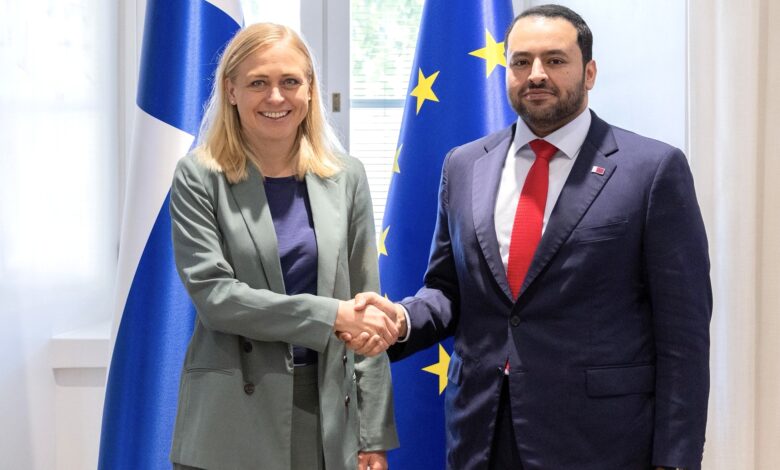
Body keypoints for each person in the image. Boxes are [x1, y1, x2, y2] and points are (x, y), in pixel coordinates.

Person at [349, 4, 711, 470]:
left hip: (601, 442)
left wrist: (675, 460)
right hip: (482, 433)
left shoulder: (651, 170)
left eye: (555, 60)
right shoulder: (464, 165)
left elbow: (683, 335)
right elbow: (447, 290)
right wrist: (400, 319)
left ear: (590, 72)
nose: (536, 74)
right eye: (521, 61)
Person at [168, 23, 399, 470]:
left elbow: (365, 304)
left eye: (290, 81)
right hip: (232, 417)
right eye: (258, 83)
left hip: (329, 415)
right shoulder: (198, 176)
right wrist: (331, 315)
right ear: (231, 90)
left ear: (310, 89)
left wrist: (372, 435)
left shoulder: (346, 176)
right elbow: (217, 299)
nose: (276, 97)